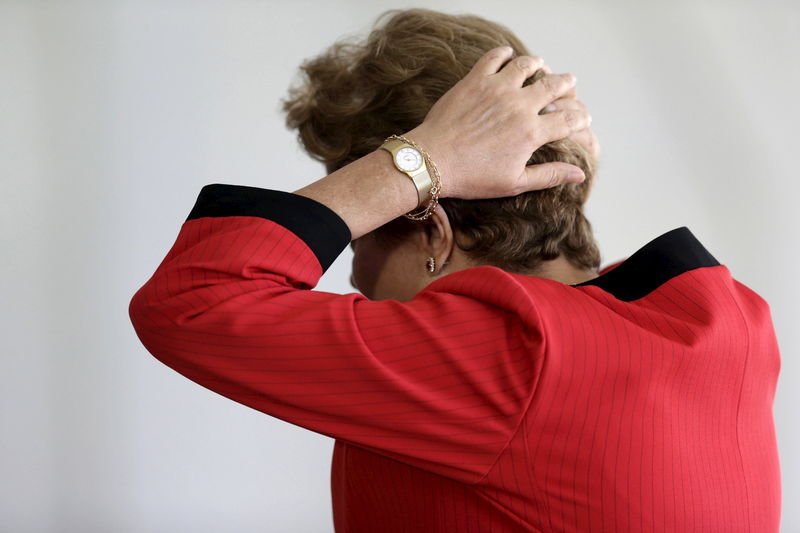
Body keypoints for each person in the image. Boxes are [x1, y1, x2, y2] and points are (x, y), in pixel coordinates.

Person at [128, 8, 781, 532]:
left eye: (359, 240)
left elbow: (192, 298)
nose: (352, 278)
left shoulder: (514, 358)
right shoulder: (726, 325)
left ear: (431, 226)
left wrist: (418, 161)